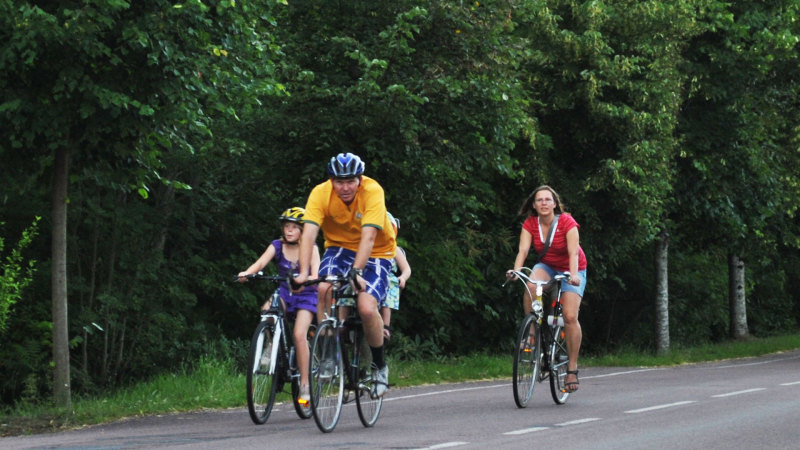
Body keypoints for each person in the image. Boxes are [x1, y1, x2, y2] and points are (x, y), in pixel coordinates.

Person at [293, 152, 396, 398]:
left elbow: (369, 237)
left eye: (350, 181)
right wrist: (304, 273)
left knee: (367, 307)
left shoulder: (373, 191)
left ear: (360, 179)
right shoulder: (320, 193)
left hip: (377, 252)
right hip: (339, 248)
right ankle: (329, 354)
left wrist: (356, 271)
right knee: (323, 288)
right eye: (339, 182)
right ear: (331, 181)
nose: (345, 187)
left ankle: (379, 366)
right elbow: (308, 234)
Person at [237, 206, 321, 405]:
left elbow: (316, 274)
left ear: (303, 230)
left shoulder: (312, 247)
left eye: (294, 227)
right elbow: (260, 263)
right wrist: (246, 273)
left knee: (300, 335)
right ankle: (271, 346)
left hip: (306, 295)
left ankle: (305, 385)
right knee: (267, 311)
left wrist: (305, 279)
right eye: (286, 227)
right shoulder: (276, 245)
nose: (289, 231)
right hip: (285, 292)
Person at [508, 185, 587, 392]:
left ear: (554, 203)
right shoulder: (530, 224)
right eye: (539, 200)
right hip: (548, 266)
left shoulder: (567, 222)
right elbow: (523, 250)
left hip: (573, 268)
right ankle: (532, 329)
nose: (544, 203)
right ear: (533, 205)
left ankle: (572, 368)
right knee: (530, 284)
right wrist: (516, 271)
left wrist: (574, 275)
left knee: (569, 316)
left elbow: (573, 253)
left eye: (547, 199)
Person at [381, 212, 411, 340]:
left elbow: (407, 269)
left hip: (386, 278)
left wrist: (402, 277)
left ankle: (385, 326)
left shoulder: (394, 249)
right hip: (367, 278)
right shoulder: (365, 245)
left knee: (390, 283)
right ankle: (343, 322)